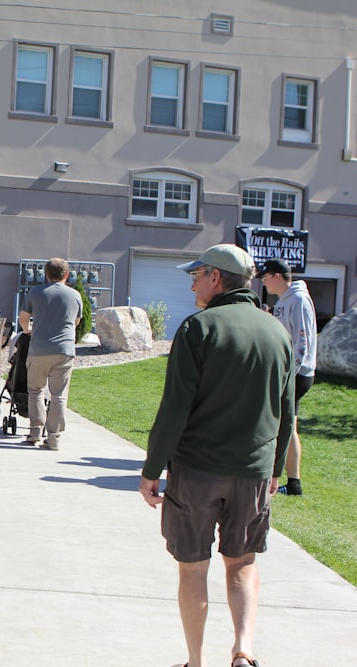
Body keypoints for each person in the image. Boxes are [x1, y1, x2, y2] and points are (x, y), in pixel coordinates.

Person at [139, 244, 294, 667]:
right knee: (242, 561)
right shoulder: (277, 332)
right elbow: (287, 411)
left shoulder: (199, 328)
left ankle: (195, 661)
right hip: (253, 472)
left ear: (216, 278)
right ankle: (243, 651)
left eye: (196, 275)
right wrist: (276, 470)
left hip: (198, 470)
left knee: (193, 566)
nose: (191, 284)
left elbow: (175, 408)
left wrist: (152, 469)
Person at [258, 257, 317, 497]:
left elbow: (302, 340)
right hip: (289, 372)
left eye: (265, 278)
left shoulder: (299, 299)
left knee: (283, 424)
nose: (263, 284)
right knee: (289, 424)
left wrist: (289, 372)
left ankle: (280, 478)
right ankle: (293, 484)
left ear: (278, 276)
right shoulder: (285, 300)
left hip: (296, 374)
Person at [17, 258, 83, 450]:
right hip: (64, 350)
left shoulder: (35, 292)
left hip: (39, 348)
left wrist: (28, 329)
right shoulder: (75, 295)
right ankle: (54, 437)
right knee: (59, 395)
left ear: (46, 274)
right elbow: (76, 321)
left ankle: (35, 430)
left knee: (36, 390)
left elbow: (23, 317)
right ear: (66, 275)